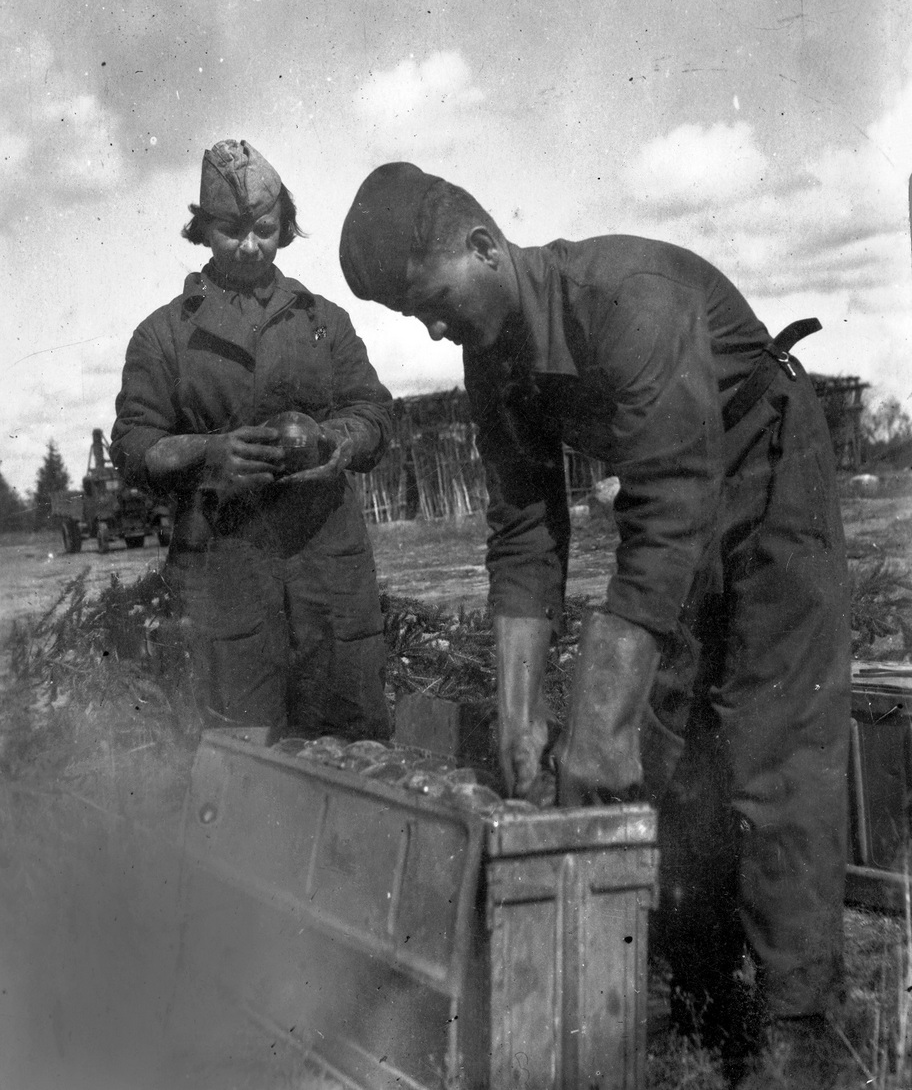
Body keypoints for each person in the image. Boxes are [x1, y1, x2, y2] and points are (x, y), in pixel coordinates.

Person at [337, 162, 852, 1089]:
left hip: (766, 467)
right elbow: (525, 531)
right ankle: (705, 989)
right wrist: (520, 718)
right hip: (676, 502)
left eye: (434, 304)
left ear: (485, 247)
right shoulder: (492, 362)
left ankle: (799, 1024)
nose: (433, 330)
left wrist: (598, 712)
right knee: (669, 740)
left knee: (774, 737)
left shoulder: (628, 296)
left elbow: (673, 499)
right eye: (415, 318)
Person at [111, 139, 393, 743]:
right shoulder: (164, 335)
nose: (248, 246)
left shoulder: (324, 321)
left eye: (264, 230)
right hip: (224, 571)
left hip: (329, 572)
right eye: (230, 231)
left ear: (284, 226)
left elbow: (374, 414)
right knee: (236, 753)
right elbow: (133, 445)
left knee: (352, 745)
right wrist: (209, 455)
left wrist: (336, 440)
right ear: (203, 229)